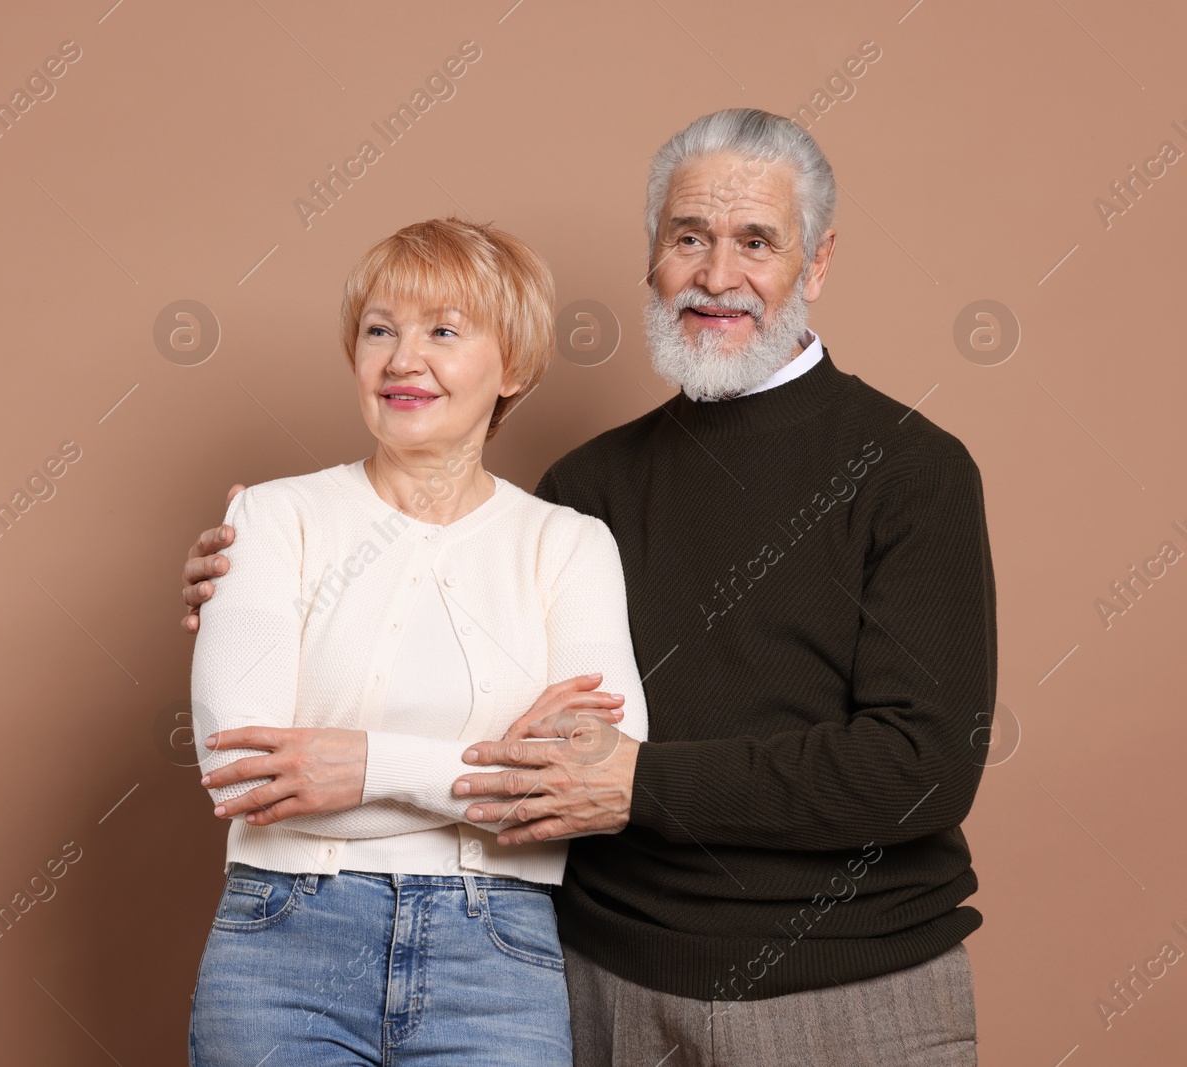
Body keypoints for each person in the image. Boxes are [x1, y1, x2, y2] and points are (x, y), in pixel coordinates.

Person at [183, 109, 995, 1066]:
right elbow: (471, 711)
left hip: (849, 985)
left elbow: (924, 766)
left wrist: (637, 781)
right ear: (652, 259)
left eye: (756, 243)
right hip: (608, 986)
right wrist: (264, 579)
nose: (717, 275)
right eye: (688, 238)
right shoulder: (587, 491)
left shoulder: (911, 470)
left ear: (815, 265)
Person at [185, 216, 650, 1067]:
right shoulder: (271, 518)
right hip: (283, 942)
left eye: (443, 330)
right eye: (379, 330)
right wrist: (496, 768)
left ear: (512, 364)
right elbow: (238, 770)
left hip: (497, 959)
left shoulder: (569, 544)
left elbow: (593, 781)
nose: (403, 359)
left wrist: (361, 764)